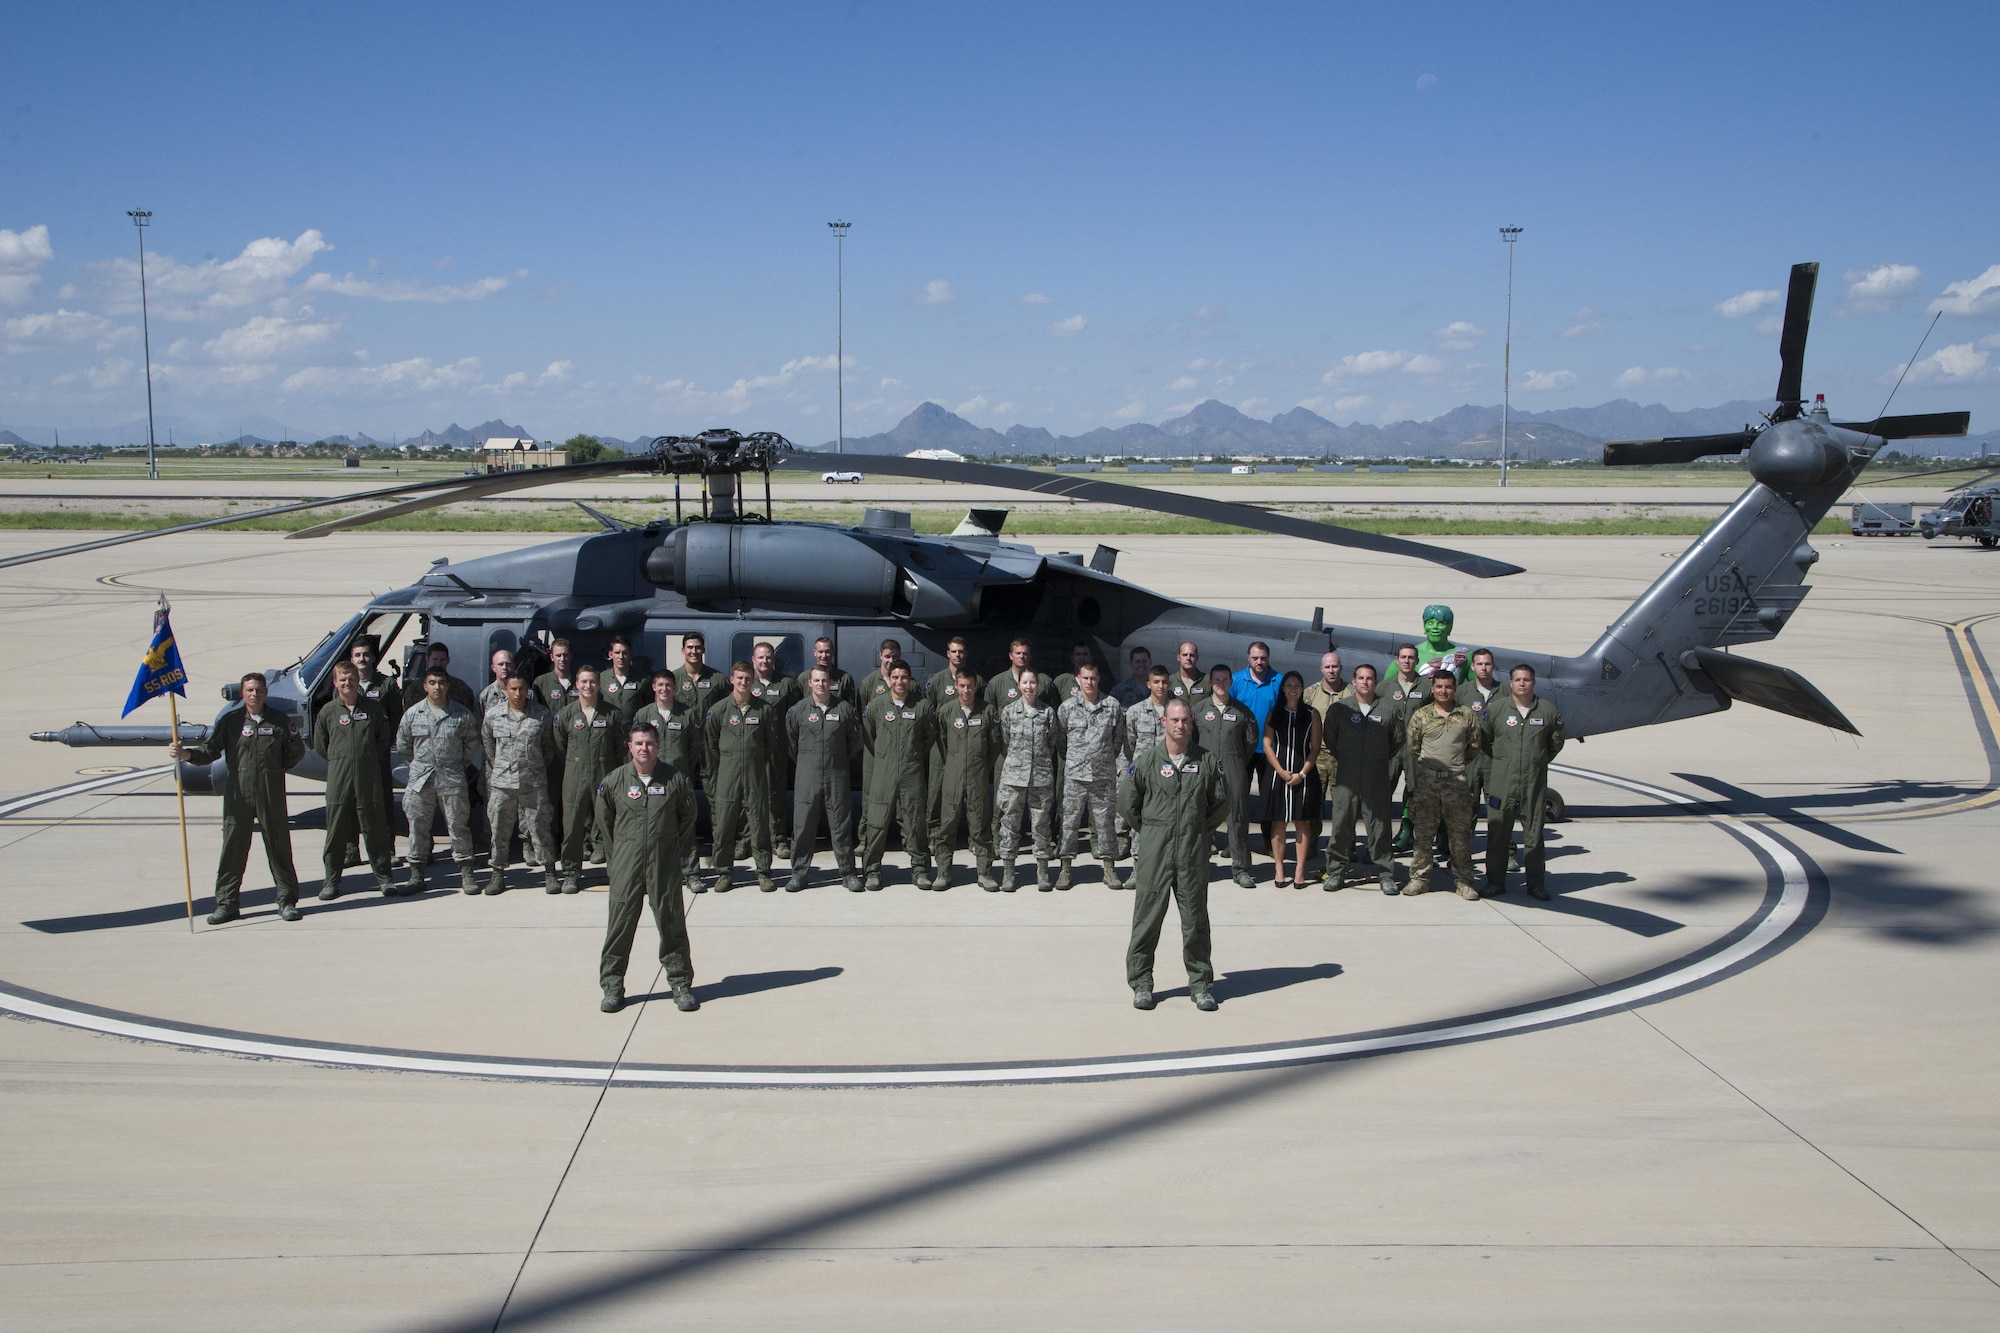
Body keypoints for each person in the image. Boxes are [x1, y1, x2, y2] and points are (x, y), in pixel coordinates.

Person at [1119, 698, 1229, 1012]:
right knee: (1147, 920)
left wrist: (1197, 829)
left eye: (1185, 721)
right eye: (1174, 720)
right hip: (1155, 852)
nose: (1180, 726)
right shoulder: (1146, 762)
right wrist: (1153, 831)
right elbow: (1127, 805)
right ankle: (1141, 984)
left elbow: (1221, 803)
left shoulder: (1207, 761)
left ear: (1191, 724)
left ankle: (1201, 985)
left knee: (1195, 922)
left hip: (1192, 852)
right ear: (1164, 722)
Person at [169, 673, 306, 923]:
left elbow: (295, 751)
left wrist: (273, 771)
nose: (255, 694)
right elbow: (210, 751)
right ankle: (227, 904)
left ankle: (286, 901)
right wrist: (186, 754)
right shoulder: (231, 722)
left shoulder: (279, 720)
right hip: (238, 794)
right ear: (242, 693)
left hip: (270, 793)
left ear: (265, 692)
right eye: (250, 690)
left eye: (259, 690)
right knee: (233, 849)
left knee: (279, 848)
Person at [595, 720, 700, 1014]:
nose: (645, 748)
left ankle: (680, 984)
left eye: (650, 743)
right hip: (626, 862)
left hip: (663, 862)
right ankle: (613, 986)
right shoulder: (614, 781)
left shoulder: (675, 780)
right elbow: (605, 823)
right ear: (630, 746)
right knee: (619, 926)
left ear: (659, 746)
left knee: (672, 925)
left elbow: (687, 819)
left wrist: (666, 847)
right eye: (639, 743)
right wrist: (618, 858)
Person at [314, 661, 398, 900]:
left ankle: (384, 878)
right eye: (342, 679)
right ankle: (331, 881)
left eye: (351, 678)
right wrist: (342, 759)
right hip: (339, 779)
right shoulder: (328, 712)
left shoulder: (373, 709)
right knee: (336, 831)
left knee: (375, 829)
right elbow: (322, 746)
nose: (347, 683)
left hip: (369, 777)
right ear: (335, 683)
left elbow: (383, 739)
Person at [396, 666, 482, 895]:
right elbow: (404, 746)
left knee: (458, 826)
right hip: (420, 781)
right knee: (417, 827)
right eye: (432, 682)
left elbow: (471, 746)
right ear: (425, 686)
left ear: (448, 685)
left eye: (441, 682)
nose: (437, 687)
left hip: (451, 779)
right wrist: (419, 766)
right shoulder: (413, 714)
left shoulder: (461, 715)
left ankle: (466, 873)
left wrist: (454, 766)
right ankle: (416, 874)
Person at [1483, 664, 1565, 900]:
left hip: (1534, 784)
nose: (1522, 683)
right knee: (1498, 834)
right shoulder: (1496, 710)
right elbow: (1484, 738)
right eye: (1517, 680)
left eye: (1526, 680)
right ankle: (1495, 882)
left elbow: (1555, 743)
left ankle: (1536, 884)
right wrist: (1503, 760)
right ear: (1510, 683)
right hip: (1502, 782)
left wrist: (1536, 760)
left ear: (1533, 683)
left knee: (1534, 835)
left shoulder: (1547, 712)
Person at [1403, 672, 1485, 900]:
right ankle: (1419, 878)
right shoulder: (1422, 715)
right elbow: (1413, 746)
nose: (1443, 691)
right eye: (1439, 687)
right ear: (1432, 688)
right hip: (1427, 781)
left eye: (1448, 687)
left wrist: (1454, 766)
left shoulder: (1466, 715)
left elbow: (1474, 746)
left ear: (1455, 688)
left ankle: (1464, 881)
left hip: (1456, 782)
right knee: (1423, 833)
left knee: (1460, 835)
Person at [1320, 664, 1400, 894]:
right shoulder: (1340, 709)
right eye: (1361, 678)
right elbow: (1330, 738)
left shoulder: (1388, 709)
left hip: (1376, 775)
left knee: (1379, 824)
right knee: (1341, 823)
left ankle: (1385, 873)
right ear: (1353, 682)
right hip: (1347, 774)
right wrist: (1349, 757)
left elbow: (1397, 740)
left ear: (1376, 682)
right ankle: (1335, 871)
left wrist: (1376, 757)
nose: (1365, 682)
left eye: (1370, 679)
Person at [787, 665, 863, 893]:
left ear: (831, 683)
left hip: (836, 774)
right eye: (816, 680)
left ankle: (848, 873)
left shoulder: (845, 709)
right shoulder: (798, 710)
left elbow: (854, 741)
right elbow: (791, 744)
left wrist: (836, 759)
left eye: (824, 681)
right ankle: (799, 874)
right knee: (802, 827)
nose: (821, 684)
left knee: (841, 826)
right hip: (807, 775)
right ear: (809, 683)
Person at [482, 670, 559, 896]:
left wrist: (533, 767)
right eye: (513, 689)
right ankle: (497, 874)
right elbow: (489, 748)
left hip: (533, 781)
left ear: (528, 690)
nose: (518, 693)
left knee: (540, 827)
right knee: (499, 829)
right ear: (505, 690)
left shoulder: (541, 715)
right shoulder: (493, 715)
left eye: (522, 689)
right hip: (502, 782)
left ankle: (550, 872)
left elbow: (548, 749)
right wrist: (502, 767)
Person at [860, 661, 934, 890]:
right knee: (877, 822)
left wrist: (911, 756)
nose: (900, 682)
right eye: (895, 677)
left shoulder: (922, 706)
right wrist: (886, 757)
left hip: (911, 771)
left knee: (914, 822)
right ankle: (872, 870)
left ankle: (920, 870)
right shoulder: (876, 706)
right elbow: (868, 737)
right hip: (884, 770)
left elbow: (928, 738)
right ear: (889, 679)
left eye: (904, 677)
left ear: (910, 679)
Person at [705, 661, 776, 893]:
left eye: (747, 678)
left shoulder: (764, 710)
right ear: (731, 679)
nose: (743, 682)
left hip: (755, 775)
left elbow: (769, 744)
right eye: (739, 678)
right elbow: (711, 746)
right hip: (727, 775)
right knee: (724, 825)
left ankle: (764, 873)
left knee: (759, 824)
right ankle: (724, 873)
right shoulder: (718, 710)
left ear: (752, 681)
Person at [554, 665, 626, 893]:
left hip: (604, 775)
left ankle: (617, 873)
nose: (588, 686)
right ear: (577, 684)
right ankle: (570, 874)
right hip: (574, 777)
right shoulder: (566, 715)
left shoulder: (612, 714)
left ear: (599, 684)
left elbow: (620, 748)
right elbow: (559, 747)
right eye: (584, 682)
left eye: (592, 682)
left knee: (609, 826)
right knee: (572, 826)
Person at [335, 635, 403, 871]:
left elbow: (395, 720)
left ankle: (388, 849)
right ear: (351, 659)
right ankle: (350, 850)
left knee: (380, 802)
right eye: (357, 655)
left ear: (373, 658)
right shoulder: (343, 686)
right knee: (349, 802)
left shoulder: (386, 685)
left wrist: (382, 746)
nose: (362, 659)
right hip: (349, 757)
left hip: (377, 756)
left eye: (366, 654)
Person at [1056, 662, 1125, 890]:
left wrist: (1102, 760)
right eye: (1085, 678)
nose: (1089, 682)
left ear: (1098, 679)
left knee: (1106, 824)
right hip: (1075, 776)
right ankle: (1065, 869)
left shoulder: (1112, 706)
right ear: (1078, 679)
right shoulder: (1066, 708)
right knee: (1069, 823)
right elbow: (1061, 742)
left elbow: (1117, 741)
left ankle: (1109, 868)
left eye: (1093, 678)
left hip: (1103, 777)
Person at [929, 668, 997, 891]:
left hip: (977, 776)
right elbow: (940, 742)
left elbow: (995, 744)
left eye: (970, 686)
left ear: (975, 686)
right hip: (953, 775)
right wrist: (956, 761)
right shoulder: (946, 711)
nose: (966, 690)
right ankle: (943, 872)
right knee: (947, 825)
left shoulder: (987, 711)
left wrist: (979, 765)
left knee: (980, 826)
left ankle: (985, 873)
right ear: (956, 686)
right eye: (962, 686)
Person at [994, 671, 1061, 891]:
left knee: (1041, 826)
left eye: (1033, 682)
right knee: (1010, 825)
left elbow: (1051, 743)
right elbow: (1005, 742)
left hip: (1040, 778)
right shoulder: (1009, 712)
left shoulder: (1048, 712)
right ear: (1018, 685)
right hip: (1013, 777)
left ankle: (1042, 872)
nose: (1029, 686)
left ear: (1038, 685)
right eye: (1025, 682)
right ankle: (1009, 873)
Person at [636, 668, 702, 890]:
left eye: (668, 685)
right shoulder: (643, 715)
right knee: (650, 828)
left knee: (685, 826)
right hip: (651, 780)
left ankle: (691, 874)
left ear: (674, 687)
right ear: (653, 687)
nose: (664, 689)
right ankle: (649, 876)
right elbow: (636, 748)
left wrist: (682, 768)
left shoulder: (687, 714)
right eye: (660, 685)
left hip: (678, 779)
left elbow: (695, 747)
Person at [1196, 664, 1259, 889]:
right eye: (1217, 680)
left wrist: (1236, 759)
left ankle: (1241, 868)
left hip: (1234, 767)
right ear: (1211, 683)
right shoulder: (1199, 710)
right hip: (1206, 769)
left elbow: (1251, 741)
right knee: (1201, 819)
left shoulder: (1242, 712)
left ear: (1231, 683)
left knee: (1238, 819)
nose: (1221, 684)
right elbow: (1191, 739)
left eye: (1225, 680)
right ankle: (1200, 866)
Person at [1260, 670, 1322, 887]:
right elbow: (1267, 744)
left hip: (1303, 773)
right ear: (1283, 689)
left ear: (1302, 688)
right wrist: (1280, 770)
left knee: (1302, 821)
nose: (1293, 689)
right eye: (1289, 685)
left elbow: (1315, 748)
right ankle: (1279, 868)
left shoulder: (1312, 714)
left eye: (1297, 685)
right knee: (1278, 821)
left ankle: (1299, 870)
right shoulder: (1274, 713)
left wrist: (1302, 773)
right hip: (1279, 773)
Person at [748, 642, 799, 859]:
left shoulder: (787, 684)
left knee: (776, 794)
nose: (764, 661)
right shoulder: (746, 683)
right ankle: (750, 839)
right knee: (750, 794)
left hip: (777, 750)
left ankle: (779, 839)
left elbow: (794, 716)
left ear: (774, 660)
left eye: (768, 657)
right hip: (751, 749)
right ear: (753, 660)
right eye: (760, 657)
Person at [1300, 649, 1346, 859]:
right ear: (1321, 669)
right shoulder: (1310, 694)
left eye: (1334, 666)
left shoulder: (1351, 693)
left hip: (1342, 758)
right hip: (1317, 756)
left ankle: (1343, 846)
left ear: (1341, 668)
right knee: (1313, 803)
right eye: (1327, 667)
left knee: (1343, 805)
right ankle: (1311, 843)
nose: (1331, 670)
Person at [1383, 642, 1425, 854]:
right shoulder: (1385, 687)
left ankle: (1407, 833)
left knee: (1415, 792)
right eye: (1403, 657)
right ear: (1397, 660)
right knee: (1382, 792)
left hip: (1416, 750)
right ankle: (1381, 836)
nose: (1407, 661)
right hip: (1390, 750)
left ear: (1417, 661)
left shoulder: (1426, 687)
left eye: (1411, 657)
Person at [401, 641, 479, 713]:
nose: (438, 664)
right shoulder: (414, 690)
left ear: (448, 661)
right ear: (427, 660)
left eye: (442, 660)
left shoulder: (461, 689)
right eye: (434, 659)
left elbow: (469, 717)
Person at [795, 635, 857, 709]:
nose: (824, 656)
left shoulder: (844, 678)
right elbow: (797, 707)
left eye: (827, 652)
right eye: (820, 652)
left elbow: (850, 708)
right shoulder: (804, 678)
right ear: (815, 653)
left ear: (833, 652)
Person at [602, 635, 651, 722]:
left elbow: (649, 707)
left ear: (630, 654)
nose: (621, 657)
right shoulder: (602, 678)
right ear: (610, 654)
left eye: (625, 653)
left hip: (634, 730)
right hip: (610, 731)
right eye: (617, 653)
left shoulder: (643, 679)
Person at [926, 635, 979, 709]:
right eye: (954, 651)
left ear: (966, 653)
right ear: (948, 654)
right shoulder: (936, 681)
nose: (957, 655)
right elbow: (930, 709)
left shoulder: (978, 681)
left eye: (961, 651)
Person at [533, 638, 580, 717]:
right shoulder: (541, 682)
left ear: (571, 655)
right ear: (551, 657)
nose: (562, 659)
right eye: (558, 655)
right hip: (551, 728)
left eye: (565, 655)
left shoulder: (582, 681)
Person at [1051, 640, 1096, 705]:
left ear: (1091, 657)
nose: (1082, 658)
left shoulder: (1101, 680)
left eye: (1085, 654)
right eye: (1078, 654)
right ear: (1072, 658)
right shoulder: (1061, 681)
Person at [477, 648, 515, 719]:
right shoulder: (484, 696)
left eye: (508, 664)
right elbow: (480, 725)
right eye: (500, 664)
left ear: (513, 666)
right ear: (493, 668)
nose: (504, 667)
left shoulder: (527, 694)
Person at [1168, 641, 1209, 706]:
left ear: (1197, 657)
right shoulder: (1169, 681)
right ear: (1178, 657)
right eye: (1184, 655)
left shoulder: (1208, 681)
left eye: (1192, 655)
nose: (1188, 658)